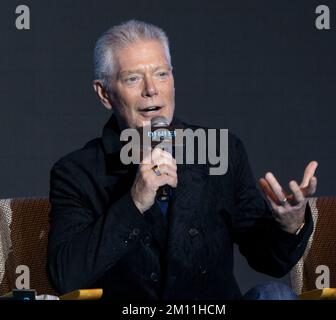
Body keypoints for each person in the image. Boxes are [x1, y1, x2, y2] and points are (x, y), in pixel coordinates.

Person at [47, 20, 318, 300]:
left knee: (275, 295)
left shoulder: (221, 151)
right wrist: (134, 202)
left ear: (173, 80)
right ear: (105, 94)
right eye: (133, 78)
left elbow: (269, 261)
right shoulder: (77, 173)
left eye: (161, 74)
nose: (151, 89)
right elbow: (66, 276)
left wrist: (289, 225)